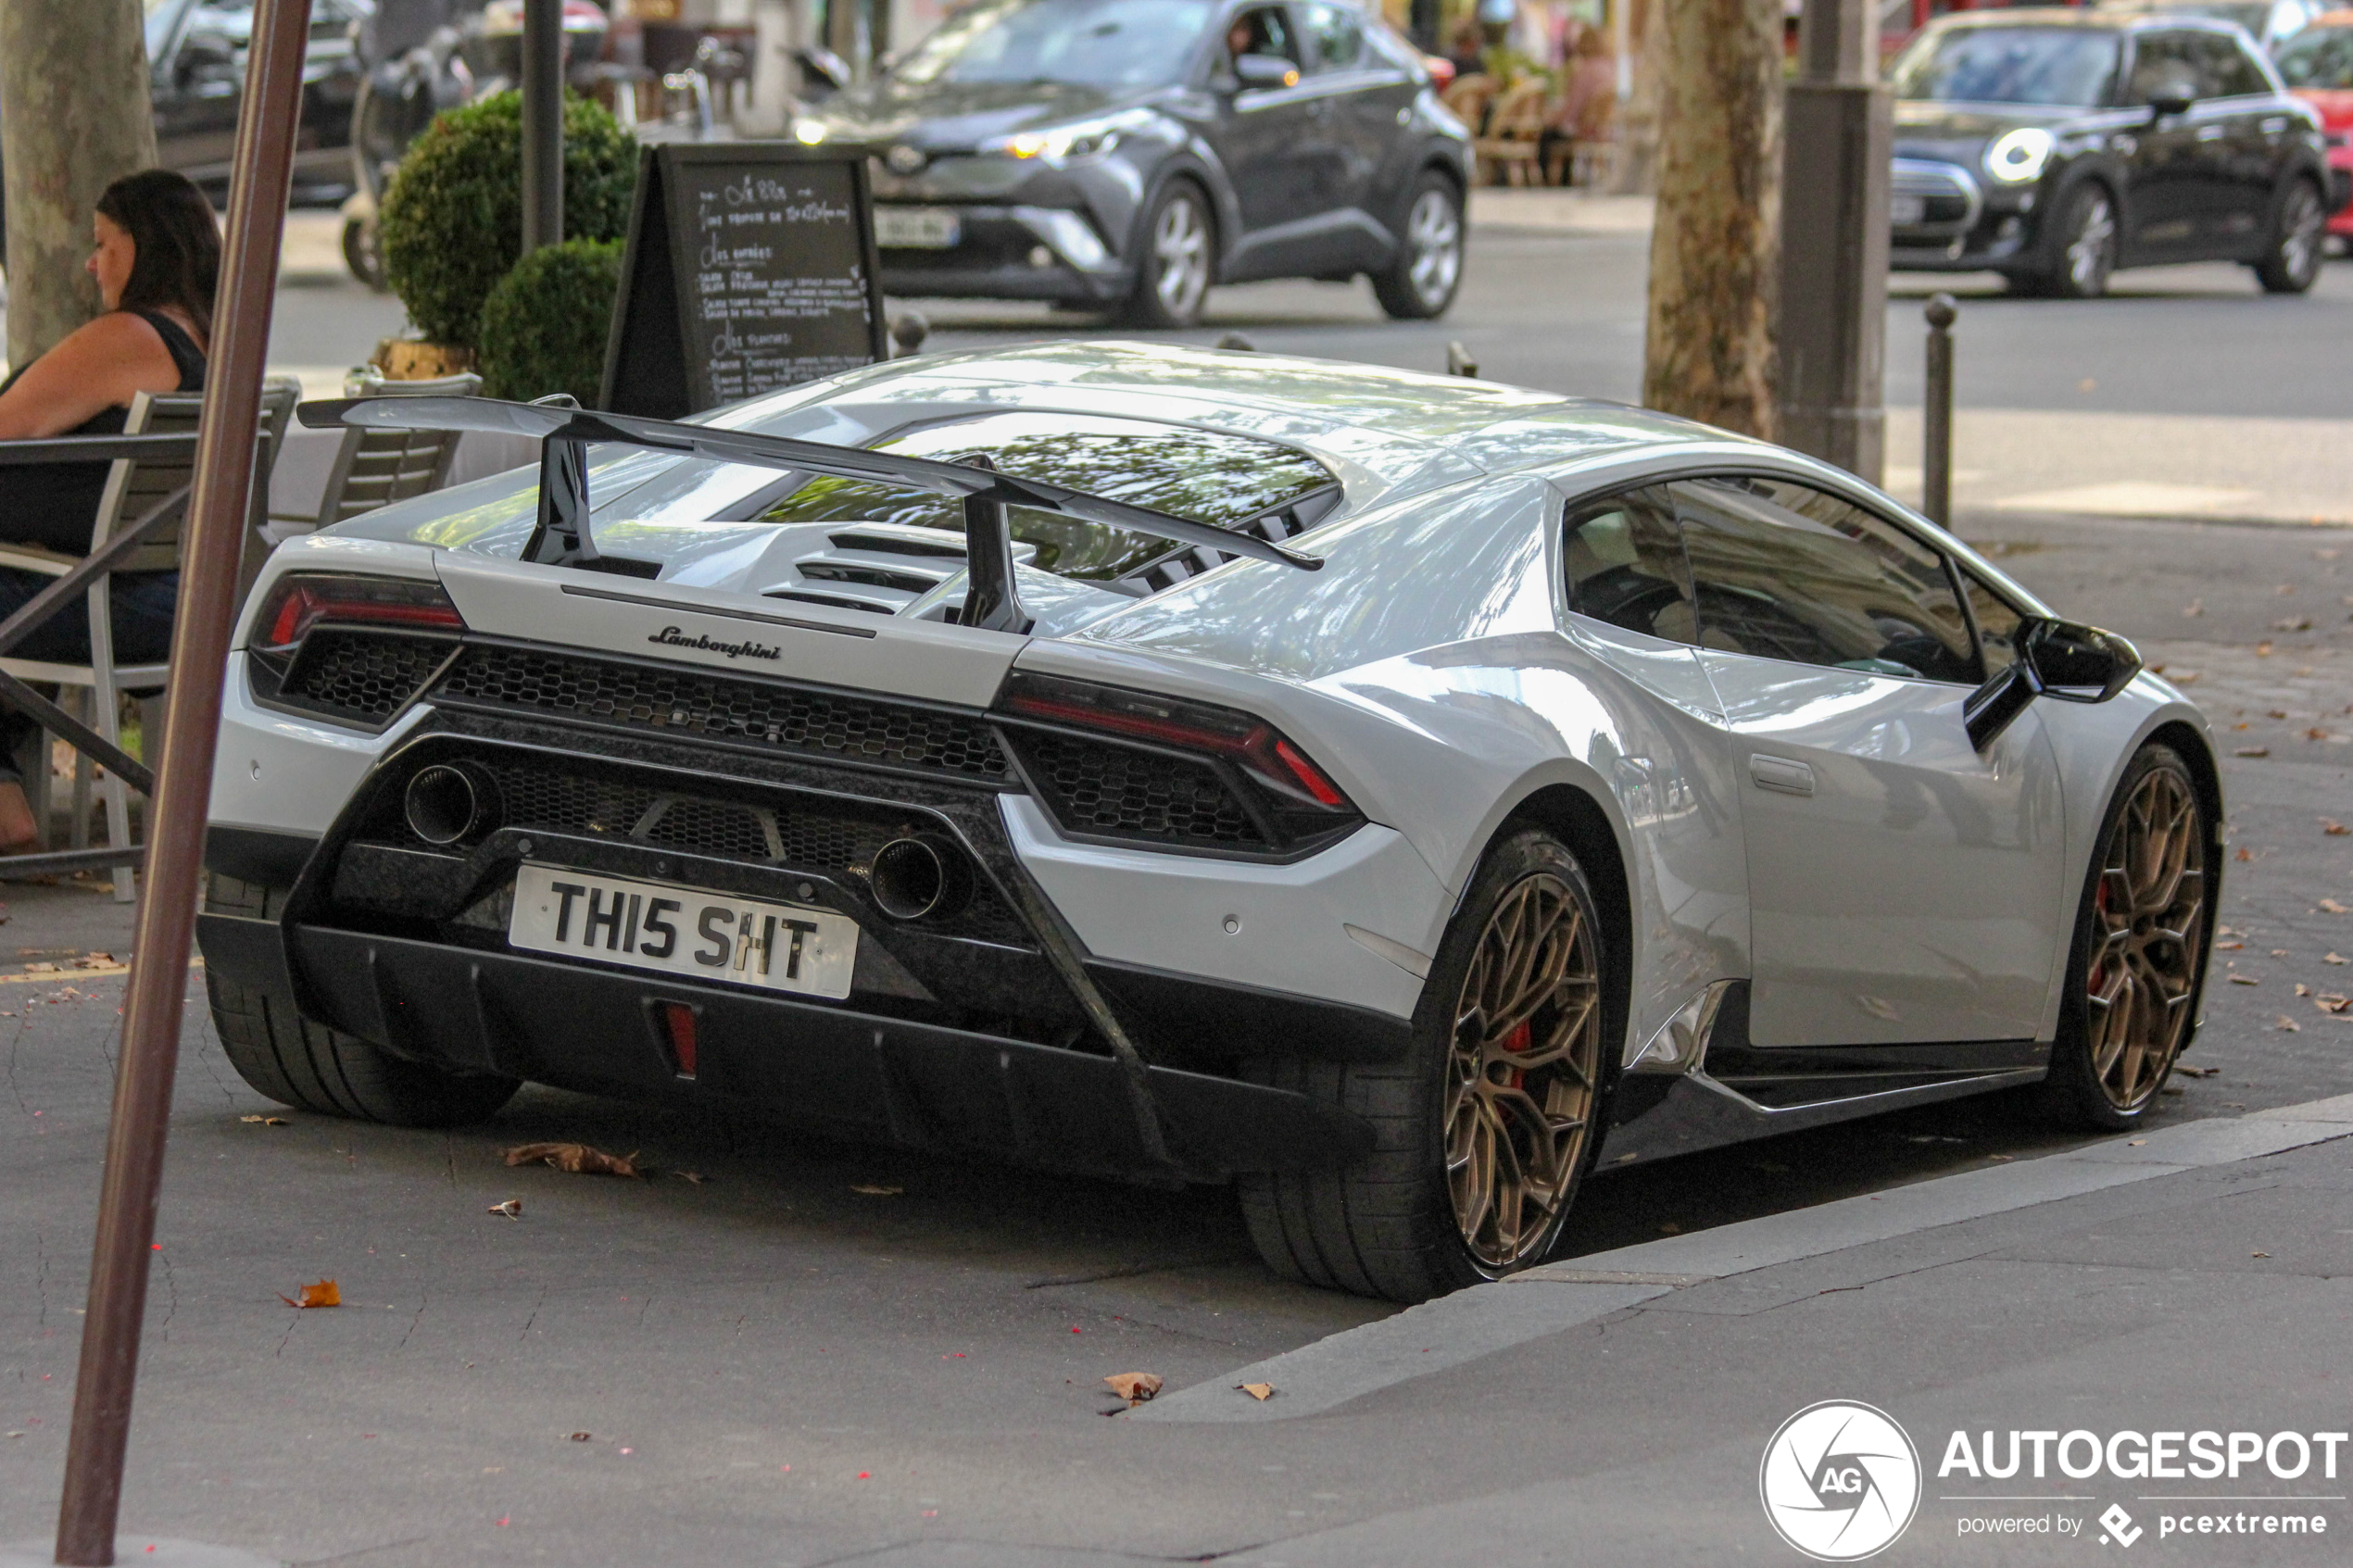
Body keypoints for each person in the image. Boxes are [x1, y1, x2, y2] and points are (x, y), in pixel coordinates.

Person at [0, 169, 218, 849]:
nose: (93, 262)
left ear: (145, 244)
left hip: (100, 602)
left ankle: (4, 800)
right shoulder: (213, 341)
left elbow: (11, 421)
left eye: (104, 242)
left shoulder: (129, 336)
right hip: (165, 598)